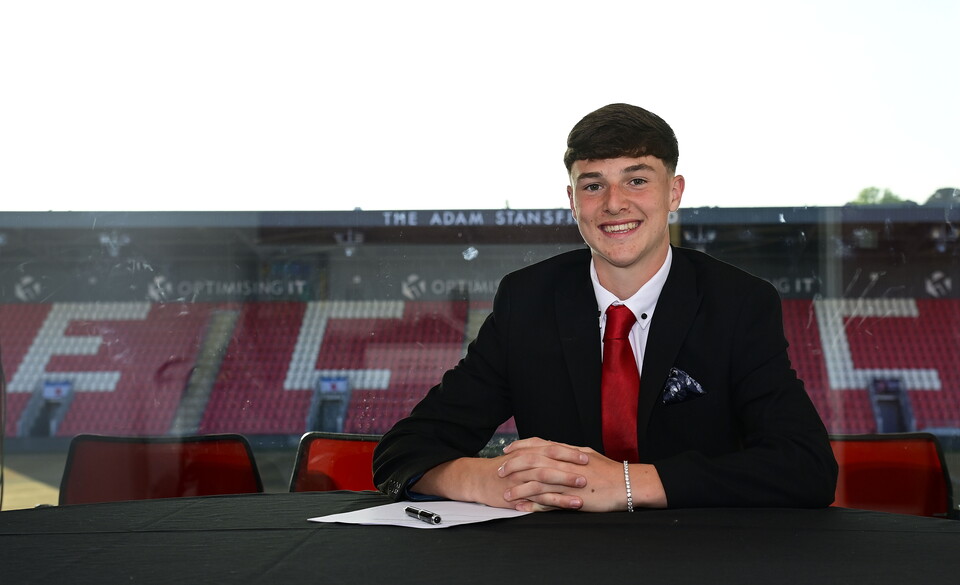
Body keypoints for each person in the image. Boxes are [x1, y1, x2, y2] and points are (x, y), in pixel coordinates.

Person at [373, 103, 838, 512]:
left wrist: (629, 484)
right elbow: (403, 451)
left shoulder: (739, 302)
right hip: (557, 559)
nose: (614, 204)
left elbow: (807, 467)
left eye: (636, 180)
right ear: (572, 201)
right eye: (593, 186)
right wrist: (491, 481)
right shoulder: (527, 300)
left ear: (674, 192)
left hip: (700, 554)